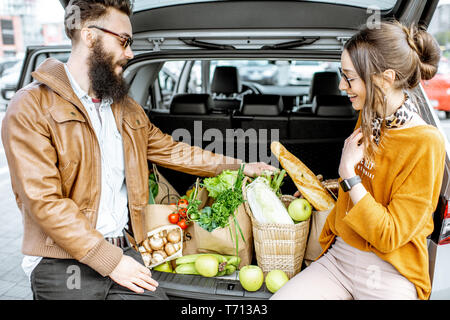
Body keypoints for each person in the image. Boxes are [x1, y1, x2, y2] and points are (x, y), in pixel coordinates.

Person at [1, 0, 275, 300]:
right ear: (90, 35)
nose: (130, 53)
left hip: (124, 252)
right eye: (124, 41)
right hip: (61, 262)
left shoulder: (125, 108)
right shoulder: (31, 106)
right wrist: (111, 261)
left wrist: (241, 167)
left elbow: (173, 151)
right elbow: (44, 202)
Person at [271, 20, 444, 300]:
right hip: (339, 258)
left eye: (350, 78)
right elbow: (365, 187)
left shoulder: (425, 142)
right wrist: (330, 185)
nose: (341, 86)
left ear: (384, 78)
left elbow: (390, 235)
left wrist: (348, 175)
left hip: (389, 269)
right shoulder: (369, 117)